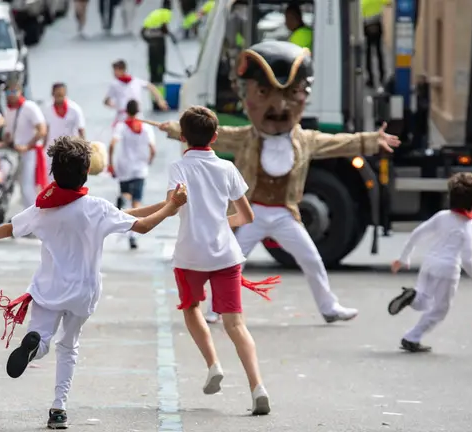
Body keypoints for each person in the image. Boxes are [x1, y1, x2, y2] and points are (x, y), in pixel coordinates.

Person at [0, 136, 188, 429]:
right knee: (69, 346)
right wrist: (170, 208)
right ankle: (58, 408)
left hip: (48, 290)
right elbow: (140, 224)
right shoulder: (97, 208)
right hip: (83, 294)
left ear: (53, 173)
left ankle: (34, 347)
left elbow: (12, 228)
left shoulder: (42, 210)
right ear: (86, 173)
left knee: (43, 339)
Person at [157, 41, 401, 325]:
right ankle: (215, 308)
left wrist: (373, 140)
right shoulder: (247, 136)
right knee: (231, 263)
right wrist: (174, 130)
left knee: (311, 259)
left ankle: (329, 307)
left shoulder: (305, 140)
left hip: (285, 213)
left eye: (291, 94)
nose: (279, 106)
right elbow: (213, 133)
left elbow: (341, 143)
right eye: (264, 93)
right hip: (254, 213)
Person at [167, 106, 278, 415]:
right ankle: (258, 387)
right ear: (215, 137)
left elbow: (173, 208)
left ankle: (213, 363)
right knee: (236, 324)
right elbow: (246, 216)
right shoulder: (227, 169)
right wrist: (217, 221)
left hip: (190, 255)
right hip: (225, 255)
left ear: (183, 137)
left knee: (191, 309)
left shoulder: (178, 168)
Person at [388, 172, 472, 353]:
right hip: (448, 271)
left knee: (423, 301)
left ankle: (412, 296)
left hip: (429, 263)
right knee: (441, 309)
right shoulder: (470, 227)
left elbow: (417, 233)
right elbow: (467, 260)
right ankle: (412, 337)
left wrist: (404, 258)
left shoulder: (442, 216)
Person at [107, 99, 156, 249]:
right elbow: (153, 149)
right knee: (137, 202)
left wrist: (110, 163)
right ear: (139, 110)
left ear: (126, 111)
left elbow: (112, 144)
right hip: (140, 169)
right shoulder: (147, 127)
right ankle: (133, 236)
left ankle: (122, 198)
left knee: (127, 194)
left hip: (124, 167)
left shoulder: (121, 126)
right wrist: (149, 161)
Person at [3, 81, 48, 208]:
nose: (11, 95)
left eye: (14, 91)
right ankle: (29, 214)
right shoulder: (9, 110)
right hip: (16, 153)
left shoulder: (29, 107)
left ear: (20, 92)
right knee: (18, 186)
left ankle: (34, 215)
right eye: (8, 92)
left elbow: (42, 130)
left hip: (30, 153)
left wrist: (27, 146)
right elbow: (9, 133)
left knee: (28, 186)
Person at [104, 60, 168, 126]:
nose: (113, 73)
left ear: (122, 70)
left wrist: (160, 100)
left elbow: (151, 87)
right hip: (123, 116)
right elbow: (106, 101)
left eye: (115, 70)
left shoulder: (136, 81)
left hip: (137, 115)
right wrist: (113, 105)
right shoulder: (114, 84)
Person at [44, 83, 86, 182]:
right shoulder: (47, 109)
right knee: (52, 180)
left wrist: (84, 151)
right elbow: (45, 130)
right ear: (52, 94)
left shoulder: (75, 109)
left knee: (71, 179)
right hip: (52, 150)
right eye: (57, 94)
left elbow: (81, 131)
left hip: (71, 149)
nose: (59, 97)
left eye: (61, 94)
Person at [140, 0, 173, 108]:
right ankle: (160, 101)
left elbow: (142, 31)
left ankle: (153, 101)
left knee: (153, 74)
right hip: (159, 47)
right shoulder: (166, 13)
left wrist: (150, 41)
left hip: (151, 48)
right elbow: (164, 28)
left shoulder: (154, 13)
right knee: (160, 74)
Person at [362, 0, 390, 88]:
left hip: (367, 26)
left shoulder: (362, 1)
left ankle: (370, 79)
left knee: (368, 53)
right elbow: (388, 2)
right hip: (377, 25)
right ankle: (382, 76)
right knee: (379, 51)